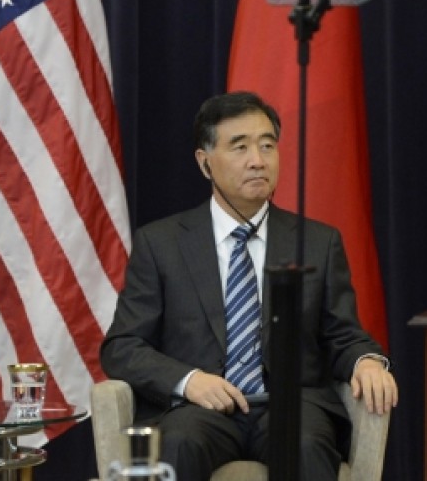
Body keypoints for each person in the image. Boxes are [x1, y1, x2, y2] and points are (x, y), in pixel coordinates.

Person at [101, 91, 397, 478]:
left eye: (267, 145)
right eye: (239, 147)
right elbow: (122, 347)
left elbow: (342, 333)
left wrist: (367, 361)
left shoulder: (317, 242)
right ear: (205, 163)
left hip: (289, 406)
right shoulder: (161, 244)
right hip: (199, 411)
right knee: (176, 443)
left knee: (305, 445)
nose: (257, 160)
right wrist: (189, 381)